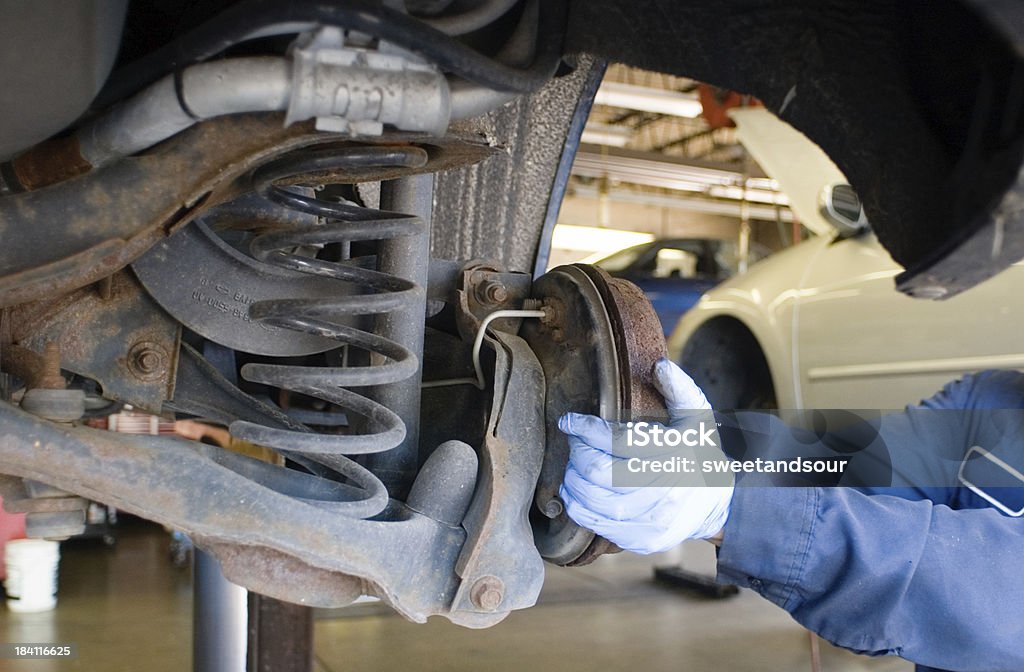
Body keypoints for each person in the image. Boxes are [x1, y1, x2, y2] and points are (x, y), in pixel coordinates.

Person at [559, 358, 1024, 672]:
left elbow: (1003, 594)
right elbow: (859, 466)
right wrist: (710, 451)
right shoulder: (995, 401)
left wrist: (731, 509)